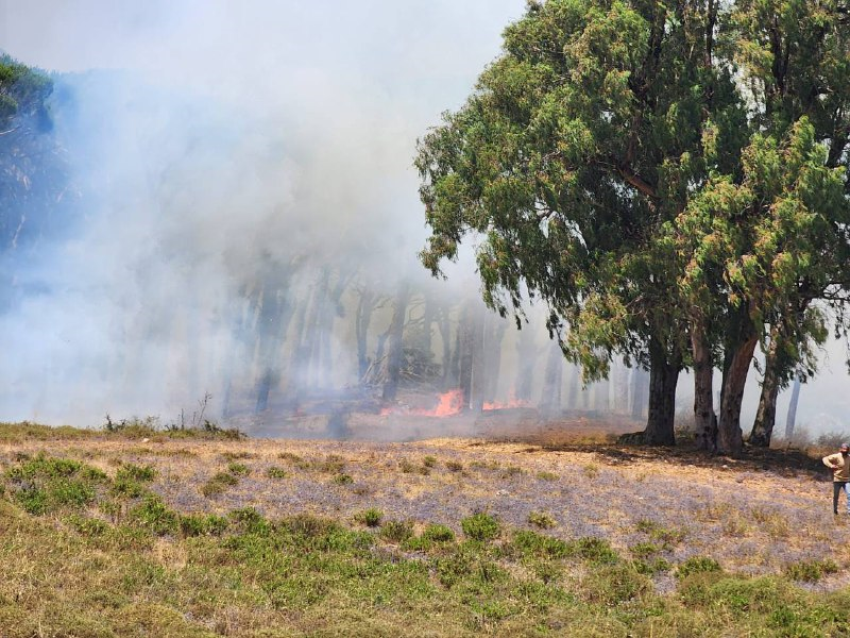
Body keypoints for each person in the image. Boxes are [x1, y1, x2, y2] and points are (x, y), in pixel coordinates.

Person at [823, 443, 850, 515]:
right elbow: (825, 459)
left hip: (847, 480)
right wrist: (831, 465)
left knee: (849, 494)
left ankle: (849, 511)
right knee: (836, 496)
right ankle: (835, 510)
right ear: (840, 450)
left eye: (846, 450)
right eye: (843, 450)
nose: (844, 452)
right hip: (837, 479)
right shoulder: (836, 456)